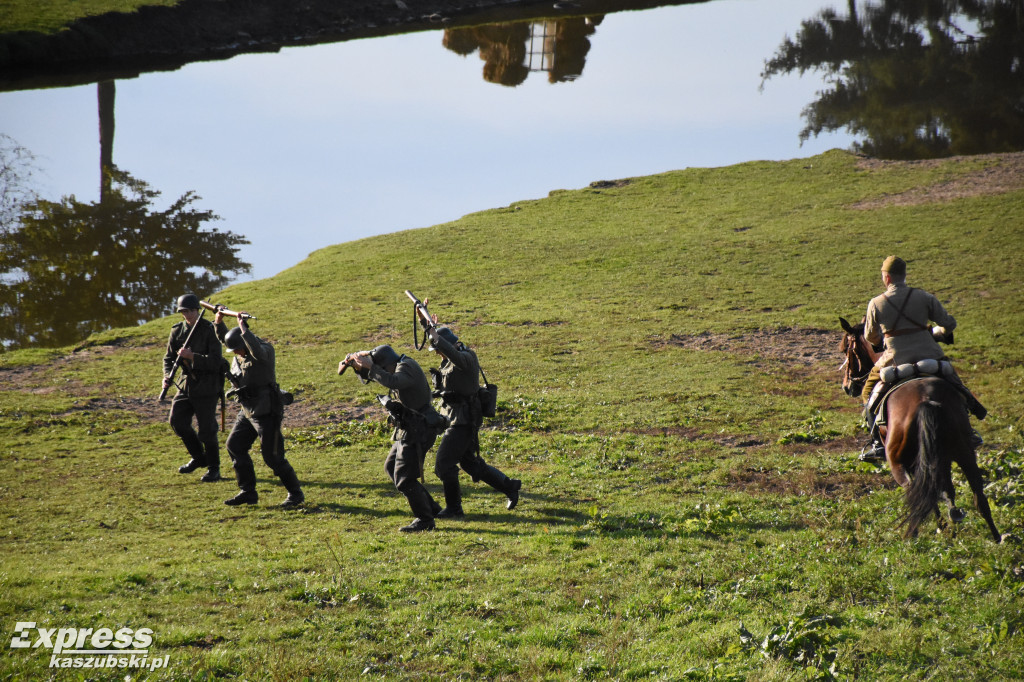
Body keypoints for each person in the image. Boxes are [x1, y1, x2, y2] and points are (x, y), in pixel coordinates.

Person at [859, 255, 985, 460]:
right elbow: (949, 324)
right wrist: (938, 332)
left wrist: (883, 339)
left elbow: (870, 336)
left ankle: (877, 442)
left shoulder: (876, 303)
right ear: (904, 275)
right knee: (955, 384)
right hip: (930, 354)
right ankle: (968, 430)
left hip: (895, 358)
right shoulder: (924, 297)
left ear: (887, 278)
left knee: (868, 392)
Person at [341, 345, 444, 532]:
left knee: (404, 479)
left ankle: (425, 519)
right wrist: (358, 365)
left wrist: (372, 369)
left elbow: (393, 382)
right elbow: (381, 377)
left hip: (419, 427)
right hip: (410, 426)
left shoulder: (406, 367)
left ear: (387, 364)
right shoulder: (399, 363)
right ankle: (431, 508)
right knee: (391, 467)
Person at [424, 324, 521, 517]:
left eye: (438, 349)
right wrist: (427, 326)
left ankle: (454, 508)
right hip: (453, 419)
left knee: (443, 465)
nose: (437, 354)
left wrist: (437, 339)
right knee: (470, 463)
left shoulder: (466, 357)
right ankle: (509, 486)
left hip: (464, 421)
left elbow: (455, 357)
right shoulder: (448, 360)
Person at [215, 310, 304, 508]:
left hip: (266, 412)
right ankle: (248, 492)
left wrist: (244, 329)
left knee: (273, 457)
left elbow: (255, 350)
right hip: (247, 410)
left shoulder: (264, 351)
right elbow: (228, 341)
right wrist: (219, 322)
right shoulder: (240, 349)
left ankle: (295, 494)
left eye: (239, 349)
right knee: (235, 446)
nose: (236, 353)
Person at [162, 293, 224, 482]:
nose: (187, 315)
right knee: (177, 422)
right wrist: (166, 376)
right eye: (183, 311)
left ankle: (214, 468)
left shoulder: (209, 330)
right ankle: (199, 457)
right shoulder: (177, 331)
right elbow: (169, 358)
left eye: (189, 311)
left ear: (197, 310)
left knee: (207, 429)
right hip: (185, 385)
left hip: (207, 385)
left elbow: (216, 362)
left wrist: (193, 357)